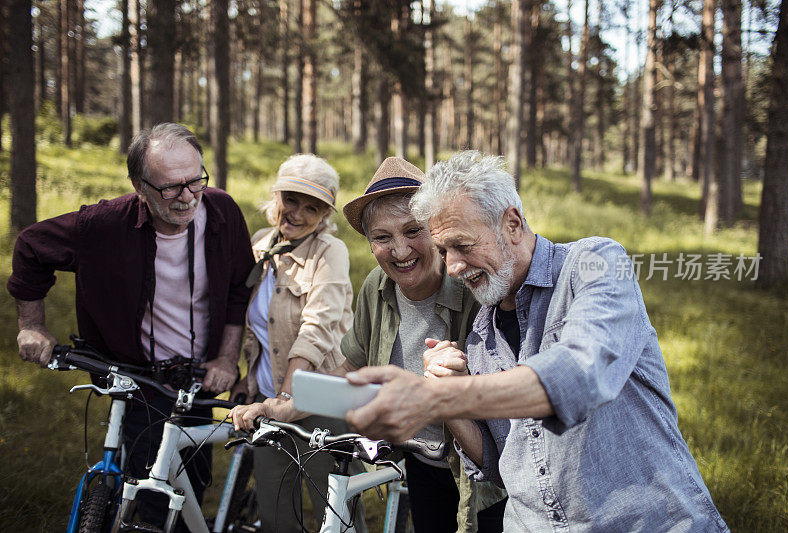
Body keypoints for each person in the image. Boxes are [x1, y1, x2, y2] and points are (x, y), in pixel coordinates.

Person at [342, 151, 730, 531]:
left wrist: (437, 399)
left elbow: (581, 374)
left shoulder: (594, 263)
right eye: (444, 251)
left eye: (462, 245)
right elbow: (499, 465)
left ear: (512, 223)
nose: (454, 267)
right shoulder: (481, 336)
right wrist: (448, 398)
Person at [232, 157, 506, 533]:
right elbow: (350, 370)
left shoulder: (473, 286)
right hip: (423, 462)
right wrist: (283, 409)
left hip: (487, 477)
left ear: (436, 229)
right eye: (382, 237)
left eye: (413, 231)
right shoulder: (377, 289)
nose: (399, 250)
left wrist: (452, 387)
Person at [7, 123, 254, 529]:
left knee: (187, 491)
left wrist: (226, 358)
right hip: (137, 376)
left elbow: (237, 289)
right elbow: (31, 246)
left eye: (196, 181)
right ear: (140, 186)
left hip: (197, 379)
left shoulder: (222, 211)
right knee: (151, 499)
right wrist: (31, 325)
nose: (187, 197)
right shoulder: (103, 225)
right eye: (170, 188)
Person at [228, 154, 365, 532]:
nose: (298, 213)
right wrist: (248, 380)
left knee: (336, 515)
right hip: (269, 398)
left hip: (320, 398)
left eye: (312, 207)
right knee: (275, 512)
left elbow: (316, 328)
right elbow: (258, 325)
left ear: (324, 214)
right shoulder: (261, 246)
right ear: (277, 197)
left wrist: (286, 400)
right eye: (291, 200)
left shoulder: (329, 252)